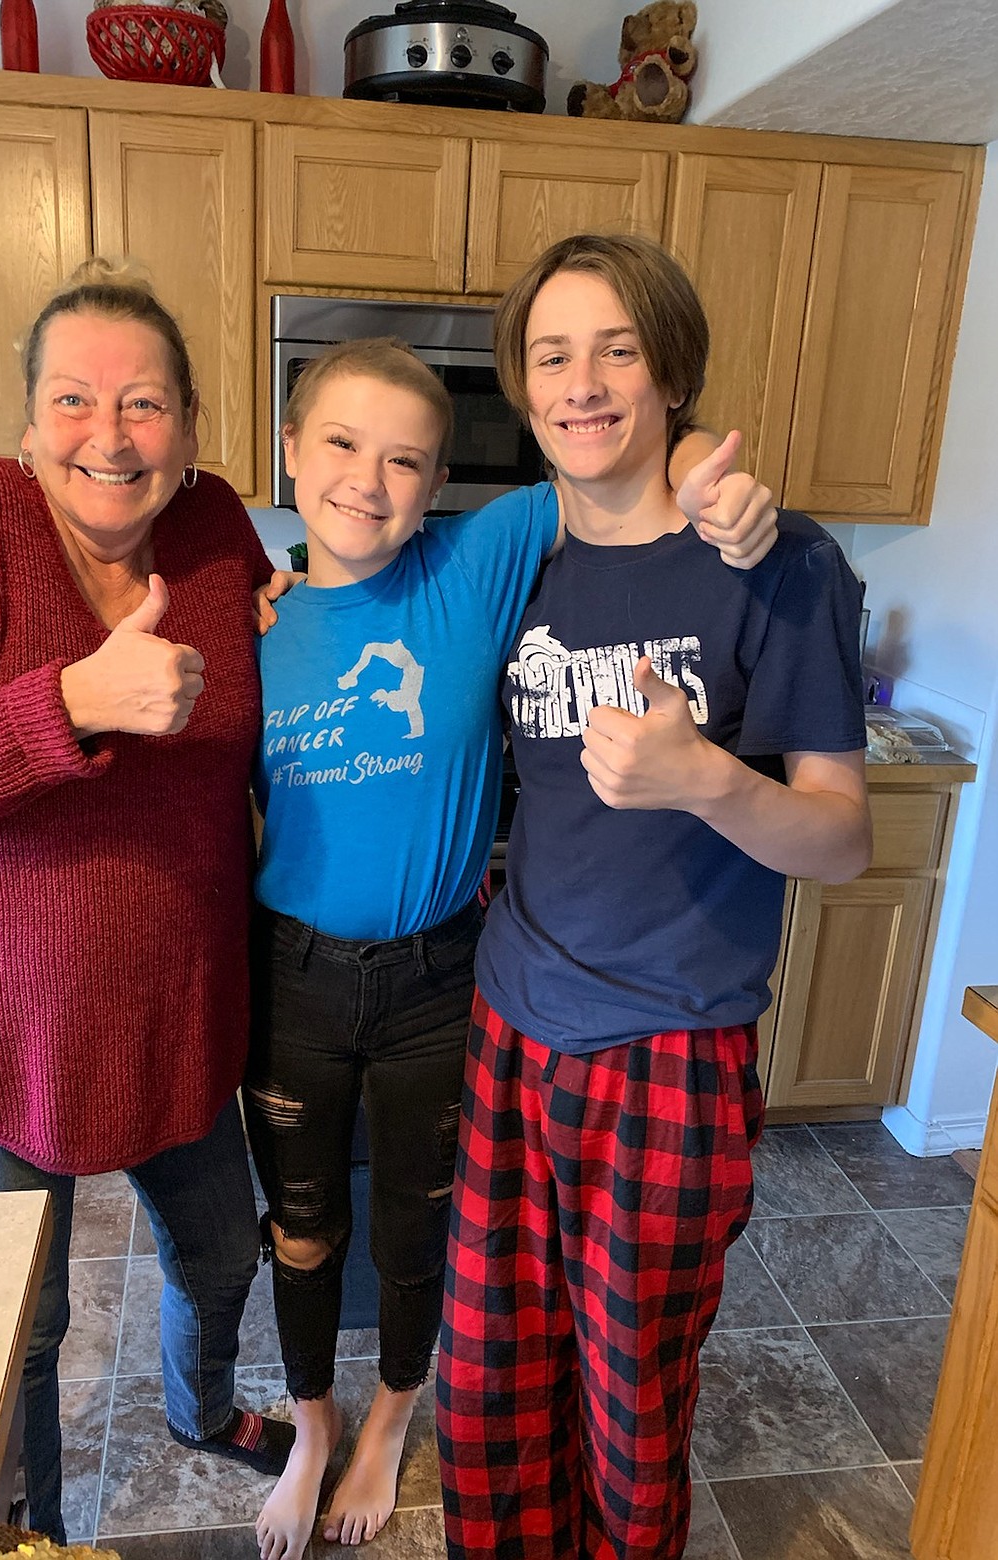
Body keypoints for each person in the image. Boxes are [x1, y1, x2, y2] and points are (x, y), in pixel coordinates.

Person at [243, 335, 779, 1560]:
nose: (367, 482)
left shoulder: (477, 563)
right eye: (339, 444)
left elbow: (618, 456)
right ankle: (314, 1430)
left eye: (405, 461)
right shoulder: (249, 613)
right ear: (288, 448)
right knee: (306, 1224)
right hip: (293, 980)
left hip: (442, 977)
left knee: (423, 1231)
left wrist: (702, 466)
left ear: (440, 484)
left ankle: (389, 1423)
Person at [0, 259, 295, 1544]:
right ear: (29, 420)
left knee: (218, 1255)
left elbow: (279, 650)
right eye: (76, 399)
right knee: (25, 1320)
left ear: (192, 432)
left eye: (144, 404)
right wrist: (73, 702)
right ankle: (29, 1526)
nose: (111, 433)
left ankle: (201, 1411)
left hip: (178, 1009)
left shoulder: (214, 531)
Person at [433, 232, 873, 1560]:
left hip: (674, 1048)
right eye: (552, 355)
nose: (582, 384)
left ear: (669, 371)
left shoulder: (780, 566)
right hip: (511, 1026)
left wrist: (704, 781)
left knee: (628, 1411)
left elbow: (842, 841)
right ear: (518, 384)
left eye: (616, 349)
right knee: (487, 1395)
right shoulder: (510, 560)